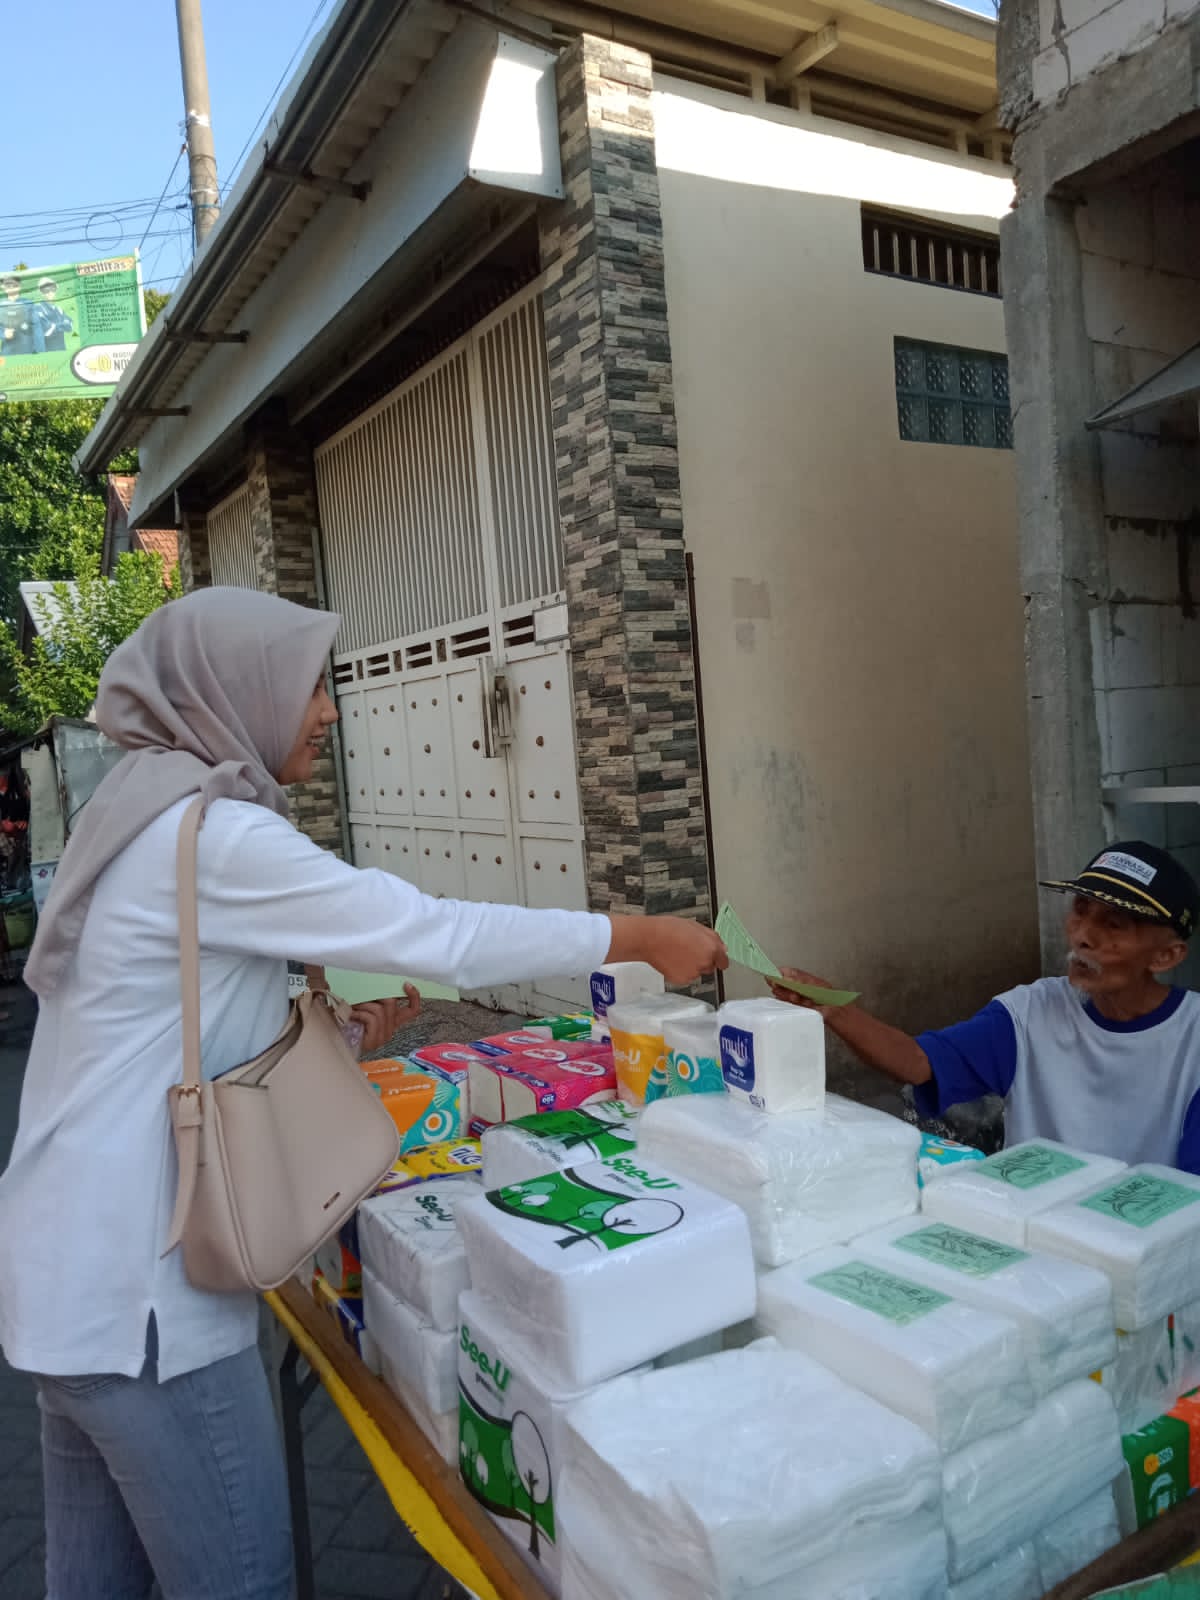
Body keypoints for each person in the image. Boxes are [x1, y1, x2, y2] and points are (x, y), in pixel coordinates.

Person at [0, 588, 727, 1600]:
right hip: (145, 1308)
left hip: (61, 1289)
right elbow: (438, 932)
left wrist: (342, 1034)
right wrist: (637, 936)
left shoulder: (139, 816)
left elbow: (159, 1029)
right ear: (236, 691)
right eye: (307, 687)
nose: (329, 712)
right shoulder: (212, 837)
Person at [769, 841, 1200, 1173]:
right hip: (1036, 1238)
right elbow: (920, 1062)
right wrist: (833, 1009)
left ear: (1165, 957)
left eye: (1113, 925)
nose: (1083, 936)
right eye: (1080, 912)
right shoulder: (1030, 1013)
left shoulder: (1191, 1040)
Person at [0, 275, 42, 355]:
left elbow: (37, 327)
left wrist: (41, 351)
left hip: (27, 350)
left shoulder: (29, 304)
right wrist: (3, 334)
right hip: (8, 351)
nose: (11, 286)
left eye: (14, 284)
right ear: (2, 286)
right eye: (8, 284)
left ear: (19, 286)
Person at [34, 278, 73, 352]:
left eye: (52, 289)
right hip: (48, 352)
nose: (50, 292)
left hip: (62, 350)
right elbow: (47, 330)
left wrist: (55, 326)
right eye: (46, 290)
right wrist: (62, 325)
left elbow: (70, 326)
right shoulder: (38, 308)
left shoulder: (58, 309)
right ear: (41, 292)